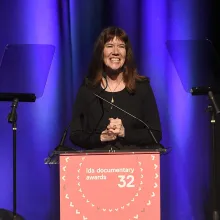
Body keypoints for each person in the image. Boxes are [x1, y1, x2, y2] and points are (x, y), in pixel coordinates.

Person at [70, 26, 162, 150]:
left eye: (121, 46)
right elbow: (75, 134)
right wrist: (100, 138)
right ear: (101, 52)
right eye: (109, 46)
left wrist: (125, 133)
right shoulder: (88, 89)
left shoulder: (141, 88)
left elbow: (155, 134)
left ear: (126, 53)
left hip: (133, 167)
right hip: (96, 168)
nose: (116, 51)